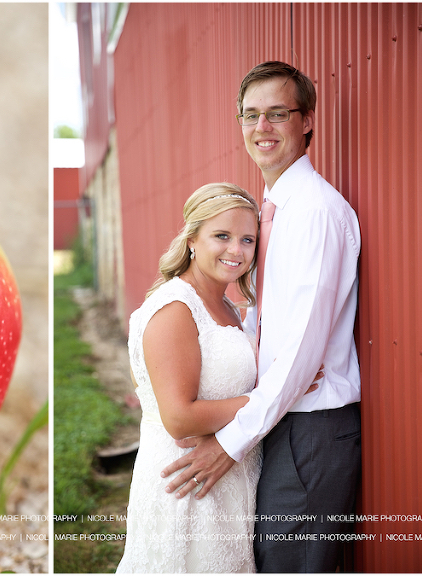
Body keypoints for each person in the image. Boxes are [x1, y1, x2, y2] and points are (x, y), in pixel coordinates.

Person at [161, 61, 362, 573]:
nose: (262, 129)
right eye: (251, 116)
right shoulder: (271, 208)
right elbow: (270, 324)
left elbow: (300, 352)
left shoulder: (314, 212)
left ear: (307, 120)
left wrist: (227, 444)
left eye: (278, 114)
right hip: (278, 421)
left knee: (288, 564)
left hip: (310, 430)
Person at [117, 182, 318, 573]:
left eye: (247, 239)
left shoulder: (225, 304)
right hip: (188, 484)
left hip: (227, 480)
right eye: (221, 236)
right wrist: (280, 393)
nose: (236, 250)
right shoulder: (175, 308)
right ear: (192, 238)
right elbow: (178, 417)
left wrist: (284, 380)